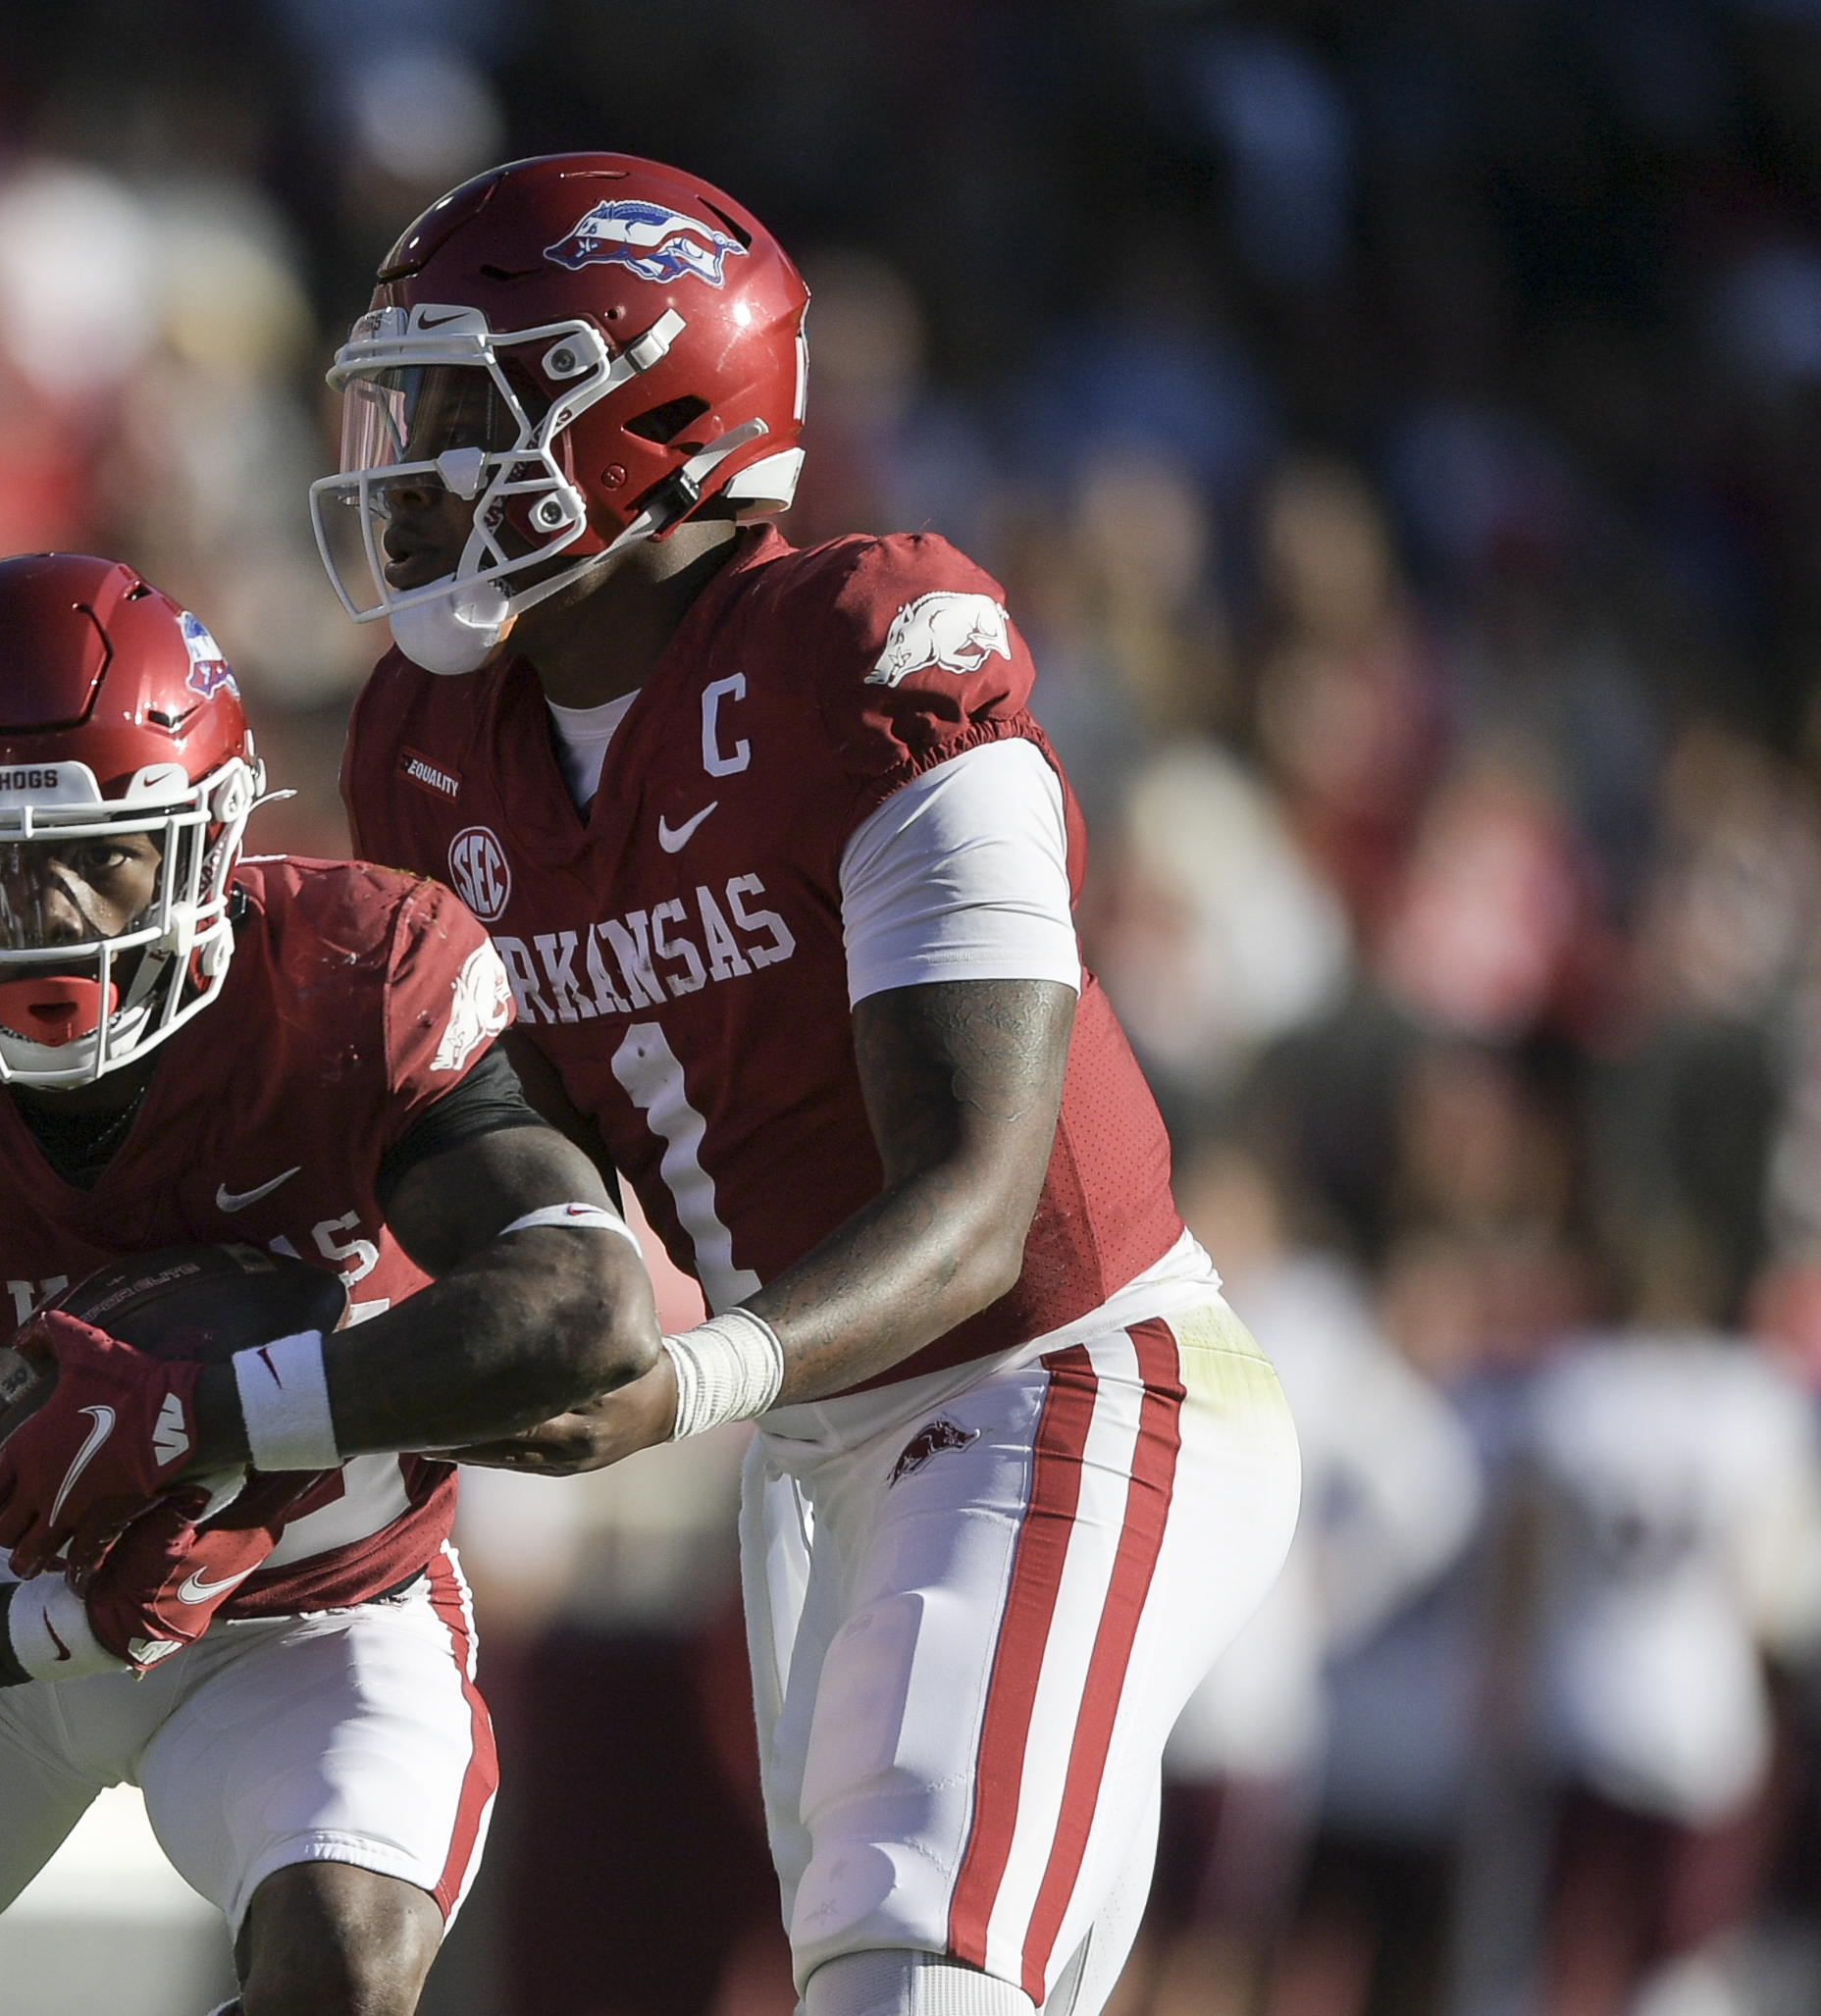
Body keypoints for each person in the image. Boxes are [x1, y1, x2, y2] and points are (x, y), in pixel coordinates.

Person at [314, 154, 1302, 2016]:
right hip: (812, 1427)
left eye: (468, 410)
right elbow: (507, 1170)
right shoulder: (431, 752)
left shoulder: (871, 656)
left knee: (908, 1968)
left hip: (1063, 1377)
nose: (416, 464)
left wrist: (688, 1379)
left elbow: (977, 1197)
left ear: (653, 411)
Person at [0, 551, 660, 2016]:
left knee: (344, 1967)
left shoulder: (353, 978)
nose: (40, 917)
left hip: (325, 1602)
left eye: (97, 853)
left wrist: (211, 1416)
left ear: (215, 834)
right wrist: (50, 1631)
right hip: (25, 1575)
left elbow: (587, 1307)